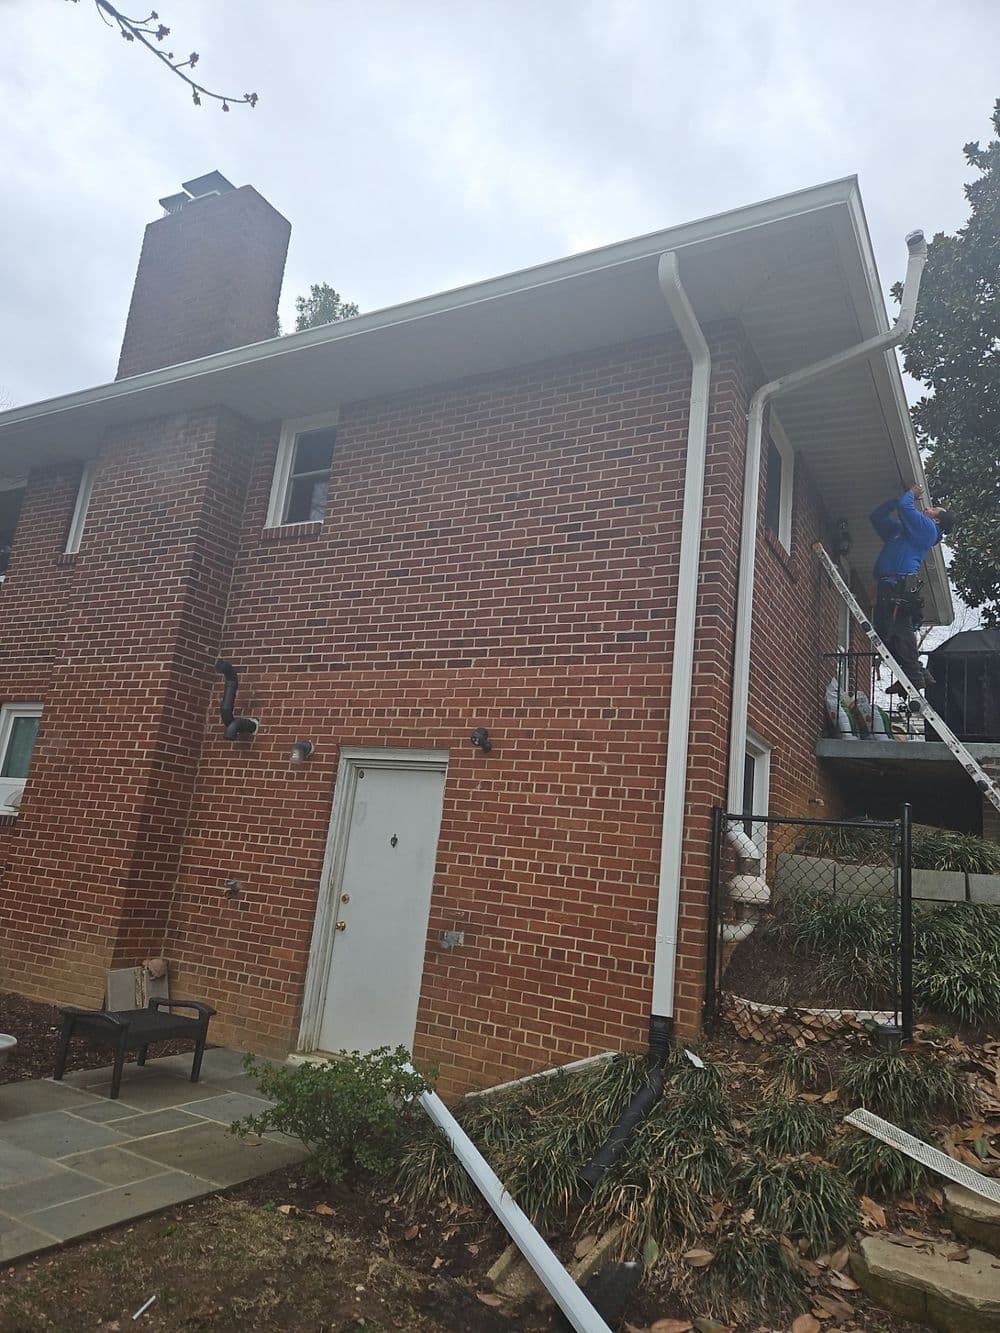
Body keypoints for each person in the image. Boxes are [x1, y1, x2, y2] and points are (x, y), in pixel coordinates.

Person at [869, 484, 953, 691]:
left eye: (934, 509)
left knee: (900, 629)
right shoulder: (901, 532)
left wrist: (912, 494)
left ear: (937, 520)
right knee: (883, 633)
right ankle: (915, 673)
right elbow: (877, 517)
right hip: (888, 584)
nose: (928, 508)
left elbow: (907, 508)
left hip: (900, 585)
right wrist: (895, 501)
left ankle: (914, 676)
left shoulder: (929, 530)